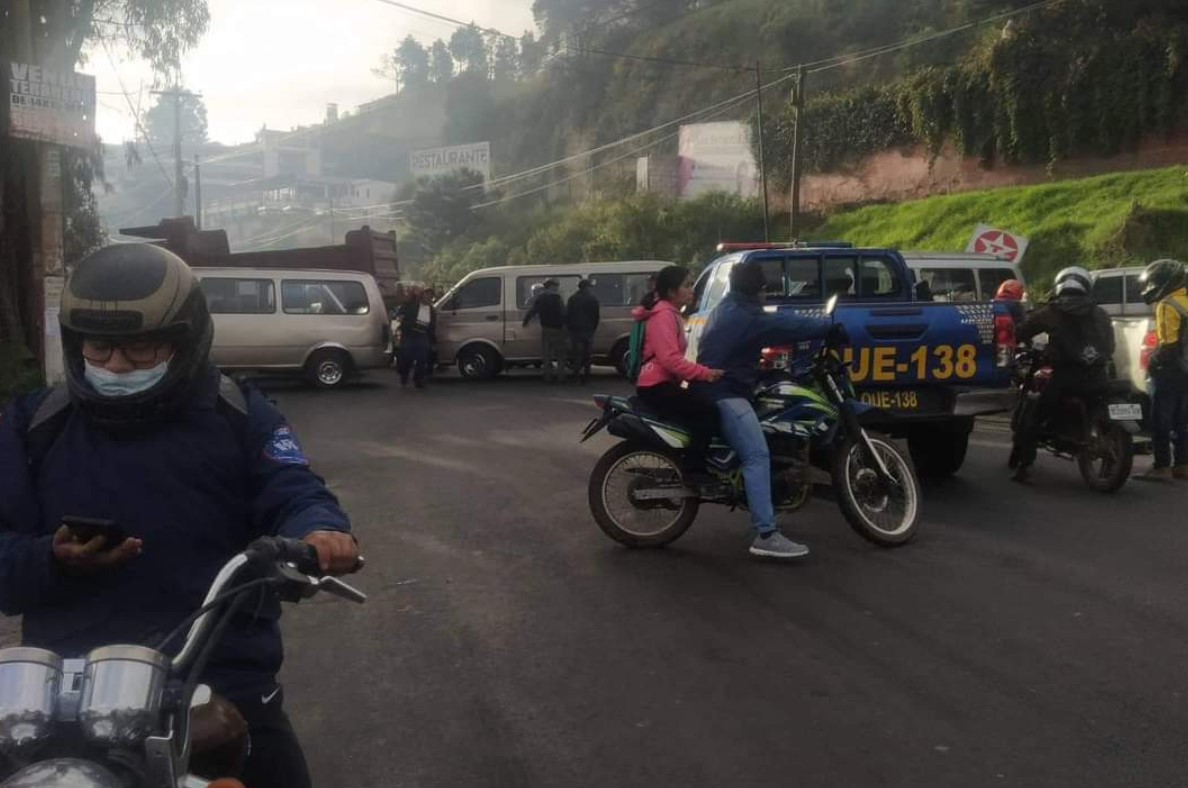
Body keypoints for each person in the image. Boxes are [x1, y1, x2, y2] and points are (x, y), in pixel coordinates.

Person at [0, 245, 361, 788]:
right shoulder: (35, 423)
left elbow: (293, 489)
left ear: (187, 340)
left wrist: (319, 532)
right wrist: (52, 559)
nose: (116, 366)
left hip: (217, 680)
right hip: (66, 696)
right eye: (99, 347)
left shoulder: (238, 413)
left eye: (141, 348)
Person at [697, 261, 835, 559]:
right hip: (725, 393)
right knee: (757, 455)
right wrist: (829, 324)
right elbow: (788, 325)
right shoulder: (748, 317)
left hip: (720, 386)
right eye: (764, 290)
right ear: (758, 290)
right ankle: (766, 534)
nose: (766, 296)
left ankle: (766, 504)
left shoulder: (727, 307)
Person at [1012, 266, 1115, 484]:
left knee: (1034, 416)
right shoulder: (1101, 313)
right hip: (1099, 377)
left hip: (1065, 379)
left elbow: (1022, 331)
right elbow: (1111, 346)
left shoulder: (1052, 311)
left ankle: (1025, 466)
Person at [632, 266, 724, 483]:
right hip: (655, 387)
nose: (692, 290)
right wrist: (705, 374)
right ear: (672, 292)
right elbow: (670, 360)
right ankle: (694, 471)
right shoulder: (664, 315)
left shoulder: (670, 313)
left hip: (662, 384)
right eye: (688, 285)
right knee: (708, 413)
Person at [1136, 259, 1188, 481]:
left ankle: (1162, 466)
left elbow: (1168, 343)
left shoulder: (1167, 304)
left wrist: (1154, 362)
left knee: (1161, 419)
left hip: (1170, 371)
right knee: (1183, 419)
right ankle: (1183, 465)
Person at [523, 278, 567, 384]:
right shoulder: (557, 297)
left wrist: (526, 321)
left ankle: (548, 377)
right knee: (560, 355)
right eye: (556, 285)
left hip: (546, 329)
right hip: (558, 329)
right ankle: (561, 377)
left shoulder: (541, 297)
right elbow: (564, 312)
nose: (557, 287)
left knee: (547, 354)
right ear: (551, 286)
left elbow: (533, 310)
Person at [398, 286, 436, 389]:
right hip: (410, 334)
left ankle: (418, 379)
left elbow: (432, 326)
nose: (428, 298)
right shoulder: (413, 305)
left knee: (422, 359)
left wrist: (432, 340)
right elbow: (402, 313)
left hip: (423, 335)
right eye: (426, 295)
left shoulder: (431, 310)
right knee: (407, 358)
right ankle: (404, 376)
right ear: (422, 296)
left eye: (430, 296)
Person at [566, 279, 601, 383]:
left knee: (576, 355)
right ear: (587, 287)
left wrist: (570, 328)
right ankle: (587, 376)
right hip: (588, 330)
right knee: (587, 355)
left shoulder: (572, 298)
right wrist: (593, 328)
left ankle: (576, 376)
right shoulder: (593, 299)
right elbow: (596, 316)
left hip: (575, 331)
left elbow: (568, 315)